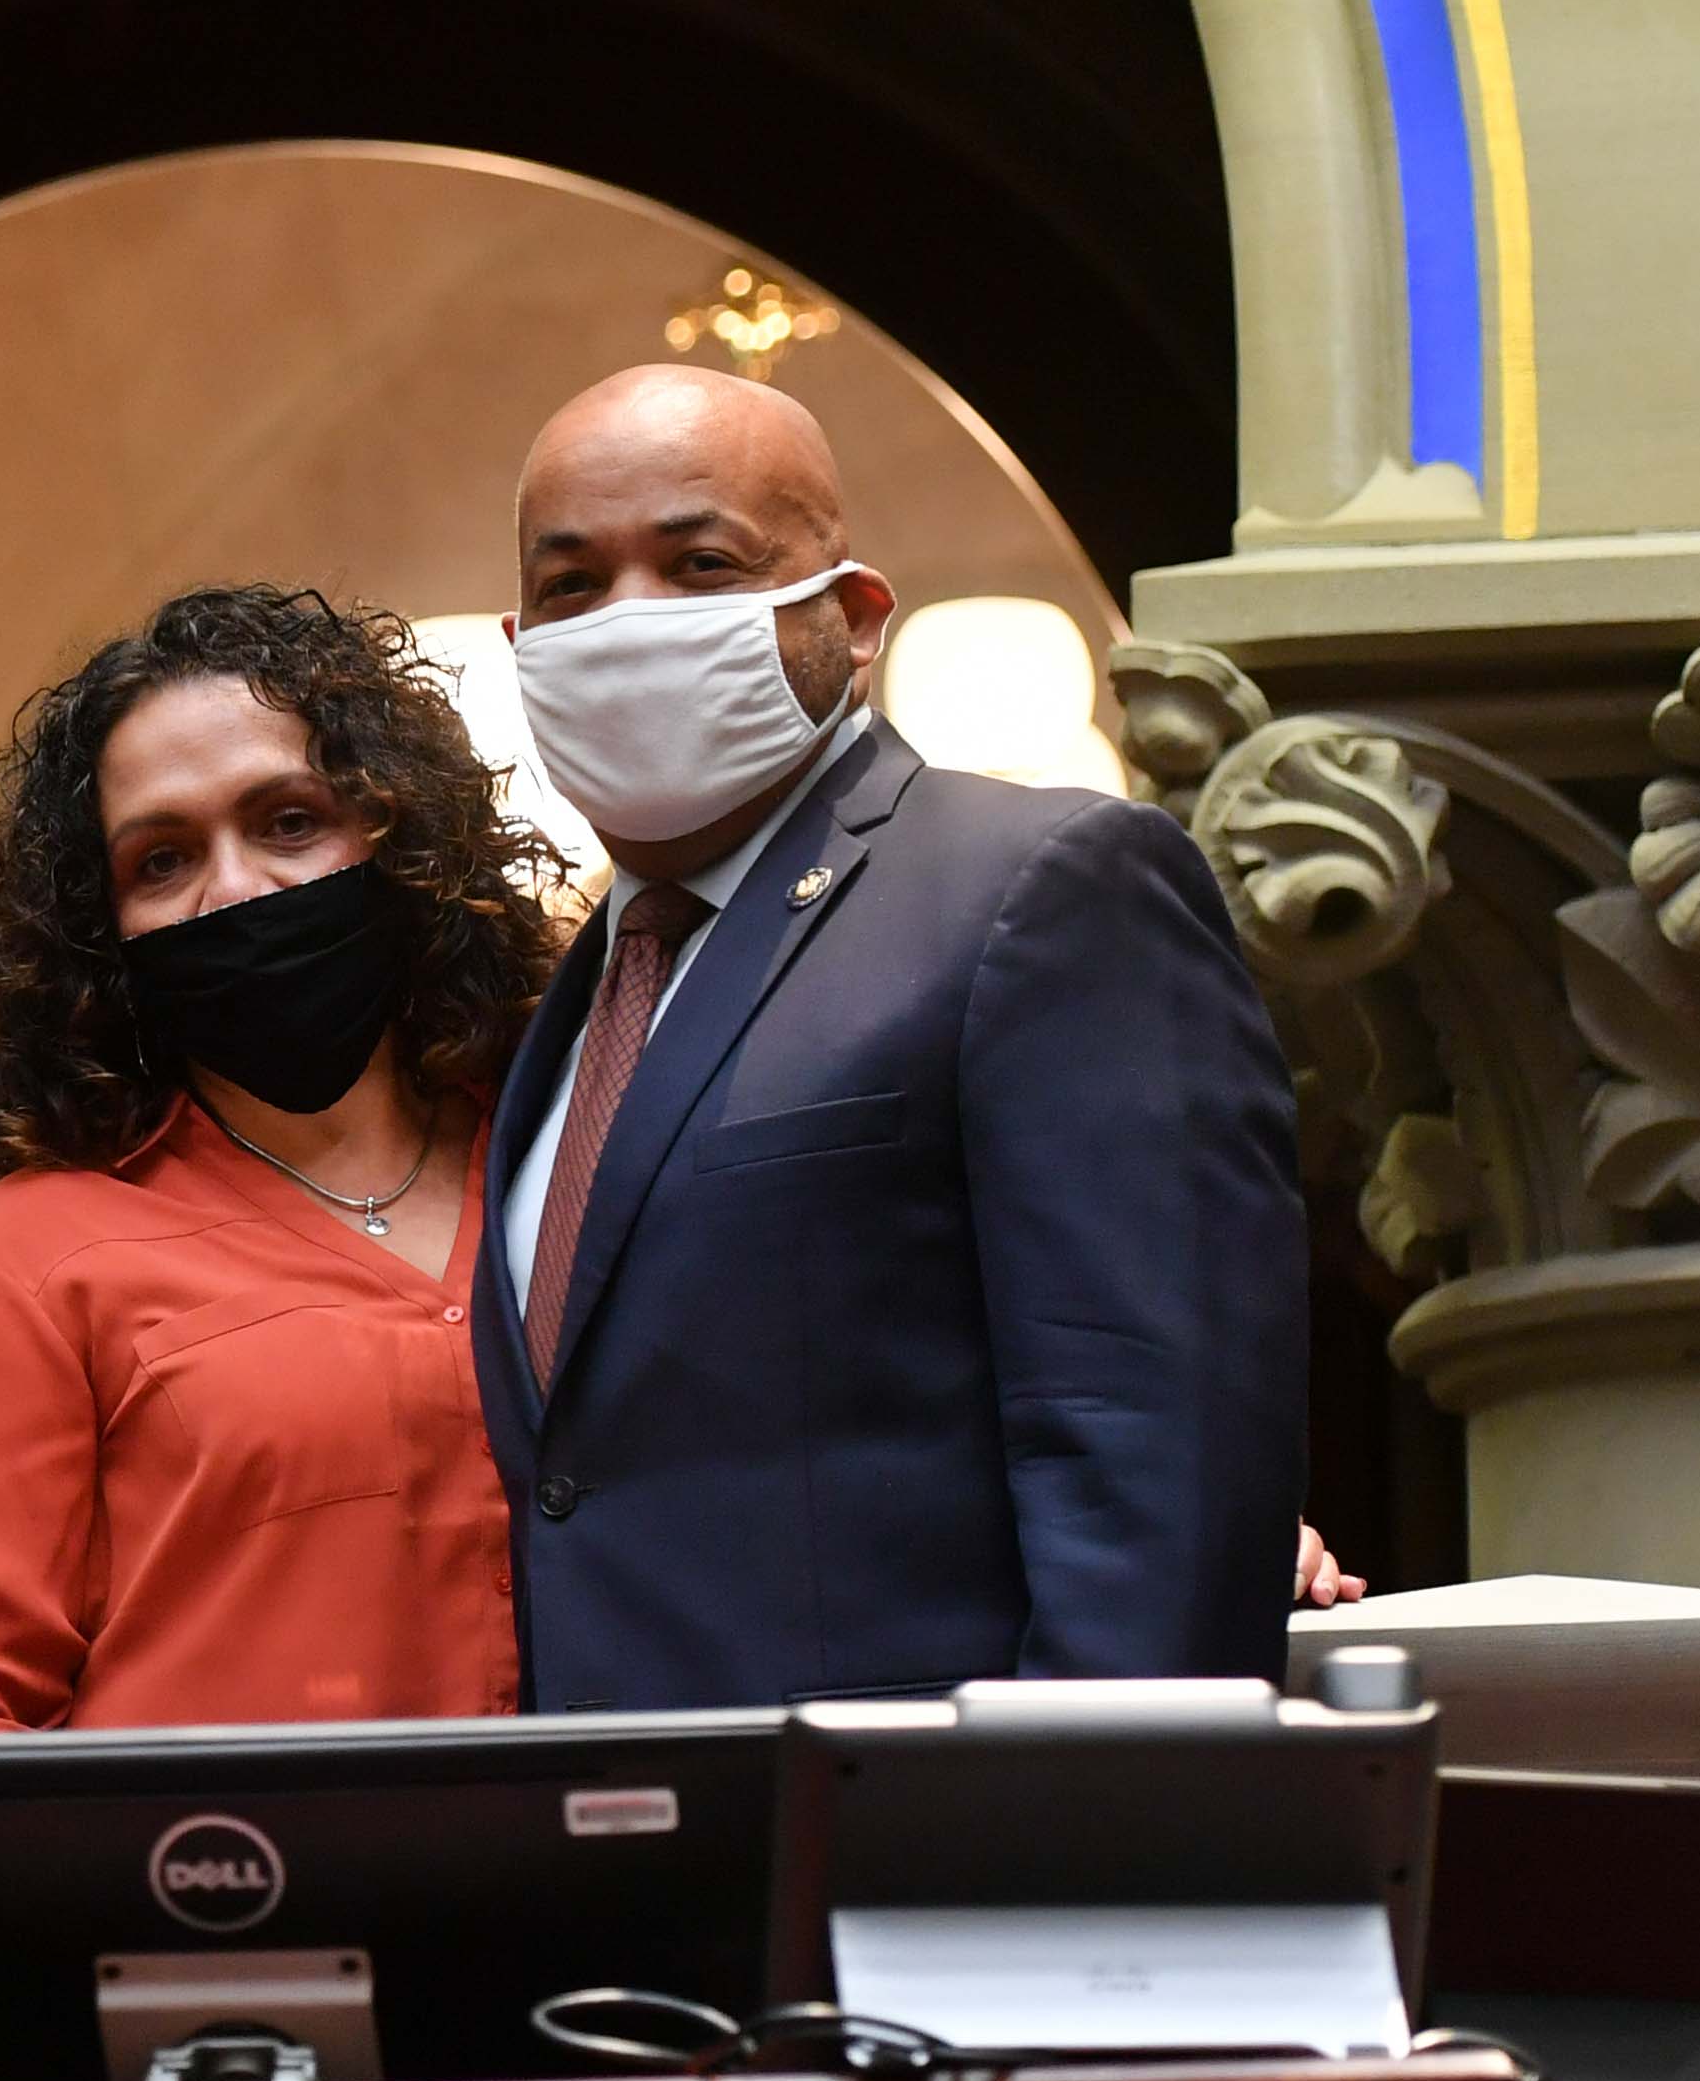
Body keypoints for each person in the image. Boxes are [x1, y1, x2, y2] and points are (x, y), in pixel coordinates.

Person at [477, 365, 1303, 1701]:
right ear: (522, 650)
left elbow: (1157, 1464)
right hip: (621, 1870)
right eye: (573, 586)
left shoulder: (1039, 888)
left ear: (852, 620)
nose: (629, 621)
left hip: (932, 1861)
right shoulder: (556, 1012)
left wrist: (1085, 1861)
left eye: (699, 564)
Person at [0, 588, 567, 1732]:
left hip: (574, 1886)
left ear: (399, 838)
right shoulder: (32, 1260)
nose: (234, 888)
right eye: (163, 859)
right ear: (101, 930)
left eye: (289, 820)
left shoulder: (562, 1153)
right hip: (210, 1894)